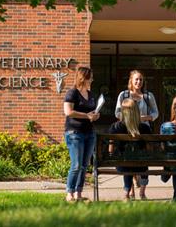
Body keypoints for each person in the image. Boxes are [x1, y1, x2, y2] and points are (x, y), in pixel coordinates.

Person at [114, 69, 159, 198]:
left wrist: (145, 118)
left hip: (143, 131)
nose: (139, 82)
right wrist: (129, 117)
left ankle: (142, 191)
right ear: (131, 81)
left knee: (143, 160)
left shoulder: (148, 96)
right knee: (128, 160)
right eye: (136, 79)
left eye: (141, 80)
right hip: (127, 131)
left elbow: (156, 113)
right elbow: (117, 113)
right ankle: (130, 190)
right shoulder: (123, 95)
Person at [63, 66, 100, 202]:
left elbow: (93, 112)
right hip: (74, 133)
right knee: (76, 164)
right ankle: (69, 193)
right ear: (83, 77)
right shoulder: (72, 93)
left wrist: (96, 115)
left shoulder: (91, 95)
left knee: (84, 165)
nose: (92, 79)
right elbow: (68, 112)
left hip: (89, 133)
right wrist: (87, 116)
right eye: (90, 77)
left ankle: (79, 193)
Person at [109, 98, 151, 201]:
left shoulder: (115, 127)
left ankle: (127, 194)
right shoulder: (145, 128)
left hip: (122, 165)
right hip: (141, 165)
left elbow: (110, 150)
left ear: (123, 112)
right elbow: (149, 149)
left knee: (127, 165)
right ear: (137, 111)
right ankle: (142, 193)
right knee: (140, 165)